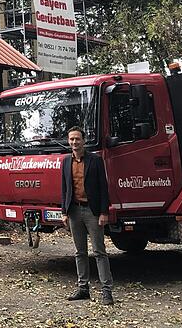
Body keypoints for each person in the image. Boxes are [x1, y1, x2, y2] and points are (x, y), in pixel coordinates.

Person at [61, 126, 114, 305]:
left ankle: (107, 292)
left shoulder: (95, 160)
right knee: (79, 252)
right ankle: (83, 288)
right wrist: (64, 212)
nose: (74, 142)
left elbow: (104, 188)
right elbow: (65, 189)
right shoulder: (66, 162)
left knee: (99, 251)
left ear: (84, 141)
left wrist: (104, 212)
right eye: (71, 139)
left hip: (93, 211)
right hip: (74, 211)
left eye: (77, 139)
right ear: (68, 142)